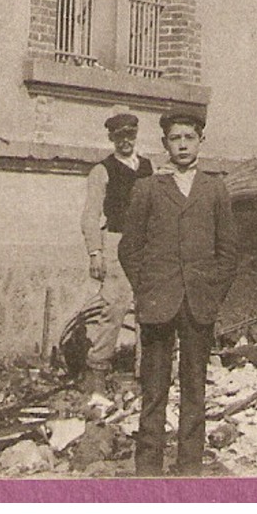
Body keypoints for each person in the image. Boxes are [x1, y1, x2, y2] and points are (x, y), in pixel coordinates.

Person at [119, 111, 238, 476]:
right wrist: (149, 288)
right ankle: (148, 469)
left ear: (201, 140)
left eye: (189, 137)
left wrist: (212, 292)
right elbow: (129, 248)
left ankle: (189, 468)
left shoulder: (215, 188)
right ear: (165, 144)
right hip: (158, 302)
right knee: (154, 388)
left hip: (199, 302)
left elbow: (229, 250)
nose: (183, 144)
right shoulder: (148, 188)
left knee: (194, 388)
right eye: (175, 138)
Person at [78, 112, 154, 395]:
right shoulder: (102, 170)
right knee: (115, 307)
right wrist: (95, 253)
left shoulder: (148, 167)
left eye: (130, 135)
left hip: (147, 243)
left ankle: (146, 371)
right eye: (119, 136)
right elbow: (90, 215)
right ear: (111, 138)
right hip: (116, 242)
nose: (125, 141)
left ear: (136, 135)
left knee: (149, 307)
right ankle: (97, 371)